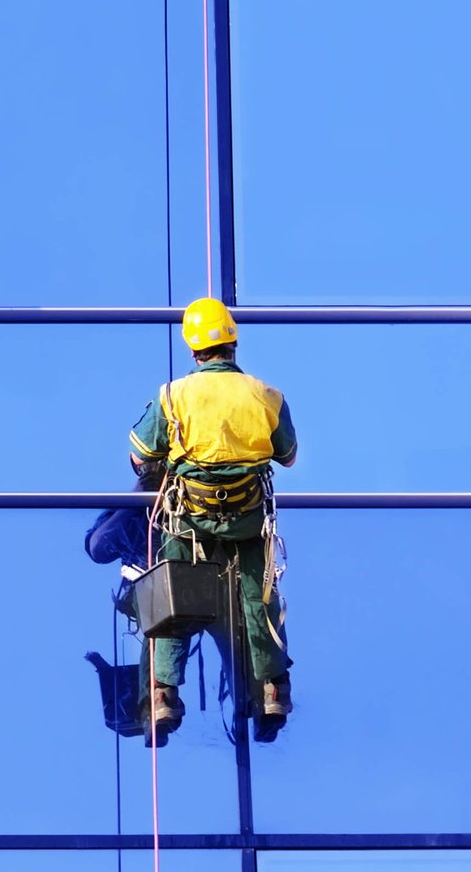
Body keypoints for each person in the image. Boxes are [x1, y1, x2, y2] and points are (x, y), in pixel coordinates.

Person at [127, 297, 298, 741]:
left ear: (192, 349)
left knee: (172, 597)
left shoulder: (173, 397)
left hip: (190, 522)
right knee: (260, 598)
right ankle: (271, 688)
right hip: (246, 521)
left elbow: (139, 454)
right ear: (233, 342)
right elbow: (289, 456)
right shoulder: (267, 396)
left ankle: (163, 693)